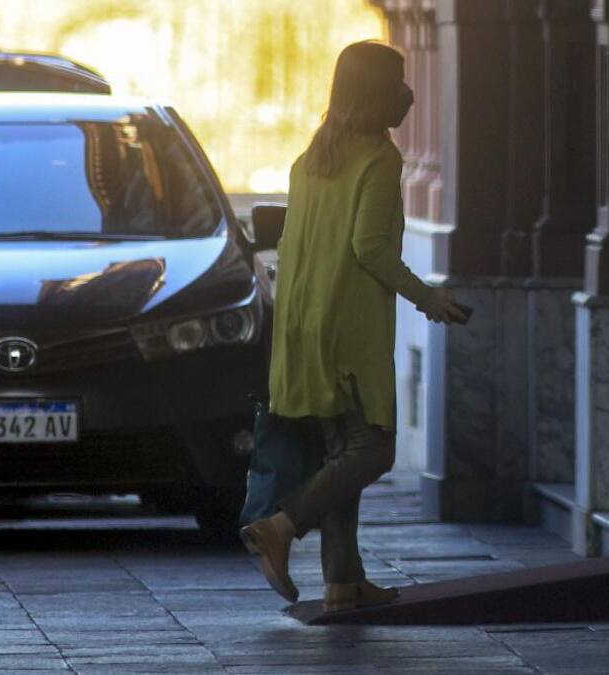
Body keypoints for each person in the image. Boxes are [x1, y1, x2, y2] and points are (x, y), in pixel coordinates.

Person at [240, 41, 466, 613]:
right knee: (373, 450)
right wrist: (428, 298)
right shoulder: (379, 159)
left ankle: (343, 583)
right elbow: (371, 249)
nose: (409, 95)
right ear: (377, 93)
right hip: (348, 332)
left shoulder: (312, 158)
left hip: (304, 327)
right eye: (400, 82)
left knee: (340, 452)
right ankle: (281, 527)